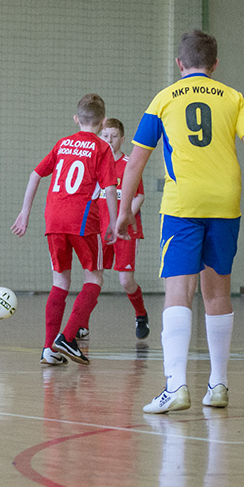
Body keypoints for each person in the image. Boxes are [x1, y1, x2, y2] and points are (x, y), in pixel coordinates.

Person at [116, 30, 244, 413]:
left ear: (180, 64)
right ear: (215, 64)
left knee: (179, 291)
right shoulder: (233, 97)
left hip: (183, 204)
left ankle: (176, 386)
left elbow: (136, 160)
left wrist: (125, 209)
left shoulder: (163, 99)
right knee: (217, 293)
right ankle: (219, 384)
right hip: (225, 203)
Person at [12, 93, 118, 366]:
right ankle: (68, 337)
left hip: (54, 219)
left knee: (60, 282)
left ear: (76, 119)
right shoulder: (101, 148)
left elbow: (36, 174)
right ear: (103, 121)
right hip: (82, 220)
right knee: (94, 279)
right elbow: (109, 188)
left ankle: (49, 349)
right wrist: (114, 222)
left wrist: (25, 213)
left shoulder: (63, 143)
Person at [96, 118, 150, 340]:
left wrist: (123, 218)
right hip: (100, 228)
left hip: (125, 229)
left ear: (123, 139)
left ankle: (141, 314)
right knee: (93, 279)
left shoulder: (129, 163)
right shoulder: (96, 163)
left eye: (114, 136)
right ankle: (81, 324)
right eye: (105, 135)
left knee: (125, 280)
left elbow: (140, 195)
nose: (109, 140)